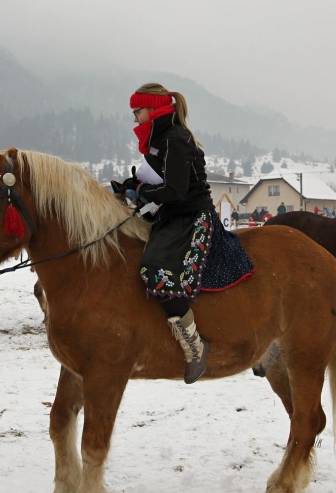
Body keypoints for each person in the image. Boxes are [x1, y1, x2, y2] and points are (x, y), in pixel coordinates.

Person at [125, 82, 253, 384]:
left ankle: (195, 345)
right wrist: (131, 188)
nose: (134, 119)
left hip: (190, 216)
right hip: (171, 214)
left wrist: (143, 190)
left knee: (154, 269)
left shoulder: (175, 139)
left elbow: (175, 189)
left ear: (154, 110)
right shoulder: (161, 140)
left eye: (137, 112)